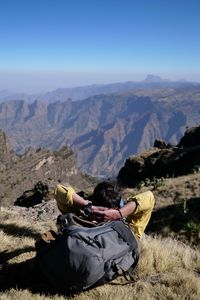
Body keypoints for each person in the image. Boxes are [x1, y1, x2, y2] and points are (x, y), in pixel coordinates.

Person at [54, 181, 155, 239]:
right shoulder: (131, 226)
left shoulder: (80, 219)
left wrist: (88, 206)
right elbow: (149, 197)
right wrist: (119, 214)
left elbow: (59, 190)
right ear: (117, 206)